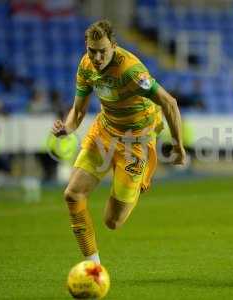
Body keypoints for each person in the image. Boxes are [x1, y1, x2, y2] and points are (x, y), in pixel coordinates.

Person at [52, 20, 186, 264]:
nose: (97, 56)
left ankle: (137, 178)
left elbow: (169, 102)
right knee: (72, 195)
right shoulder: (86, 66)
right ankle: (94, 268)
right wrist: (67, 127)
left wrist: (178, 145)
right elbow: (78, 111)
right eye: (92, 50)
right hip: (105, 131)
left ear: (114, 46)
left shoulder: (131, 72)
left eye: (103, 50)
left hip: (136, 142)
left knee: (113, 222)